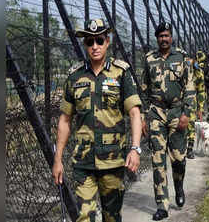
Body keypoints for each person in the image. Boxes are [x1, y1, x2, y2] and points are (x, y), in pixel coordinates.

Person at [52, 18, 142, 222]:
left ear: (107, 42)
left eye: (99, 41)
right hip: (84, 163)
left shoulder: (121, 73)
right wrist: (57, 159)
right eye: (89, 42)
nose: (95, 46)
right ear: (85, 44)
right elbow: (65, 120)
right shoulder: (74, 77)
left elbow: (135, 113)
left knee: (112, 217)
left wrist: (135, 149)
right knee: (84, 217)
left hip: (113, 161)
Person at [140, 22, 195, 221]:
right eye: (160, 36)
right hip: (156, 113)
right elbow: (144, 89)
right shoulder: (149, 59)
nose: (164, 39)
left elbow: (189, 87)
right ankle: (162, 205)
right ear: (157, 38)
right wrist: (143, 117)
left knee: (179, 159)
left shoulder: (182, 58)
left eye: (167, 35)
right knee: (158, 161)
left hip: (176, 113)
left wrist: (186, 114)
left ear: (172, 38)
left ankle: (179, 186)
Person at [187, 51, 206, 159]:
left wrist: (200, 108)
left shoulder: (198, 72)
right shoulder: (181, 67)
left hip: (191, 103)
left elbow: (201, 91)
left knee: (191, 125)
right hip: (176, 102)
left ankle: (189, 149)